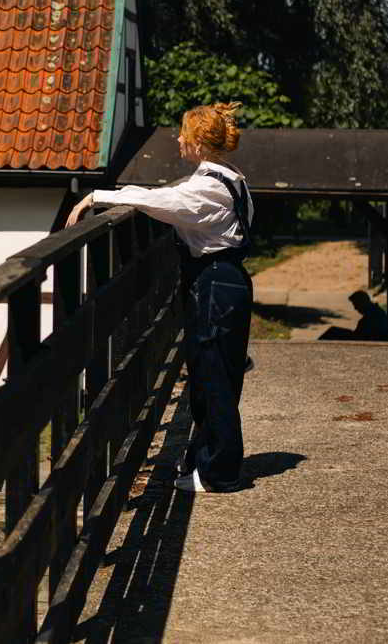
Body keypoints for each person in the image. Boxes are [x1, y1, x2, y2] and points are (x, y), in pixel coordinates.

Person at [67, 102, 254, 493]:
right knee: (215, 375)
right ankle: (208, 463)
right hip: (228, 280)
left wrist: (99, 196)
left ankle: (220, 472)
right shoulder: (232, 178)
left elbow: (162, 202)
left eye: (185, 134)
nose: (180, 140)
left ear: (199, 142)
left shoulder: (208, 188)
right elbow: (170, 196)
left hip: (215, 282)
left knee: (213, 378)